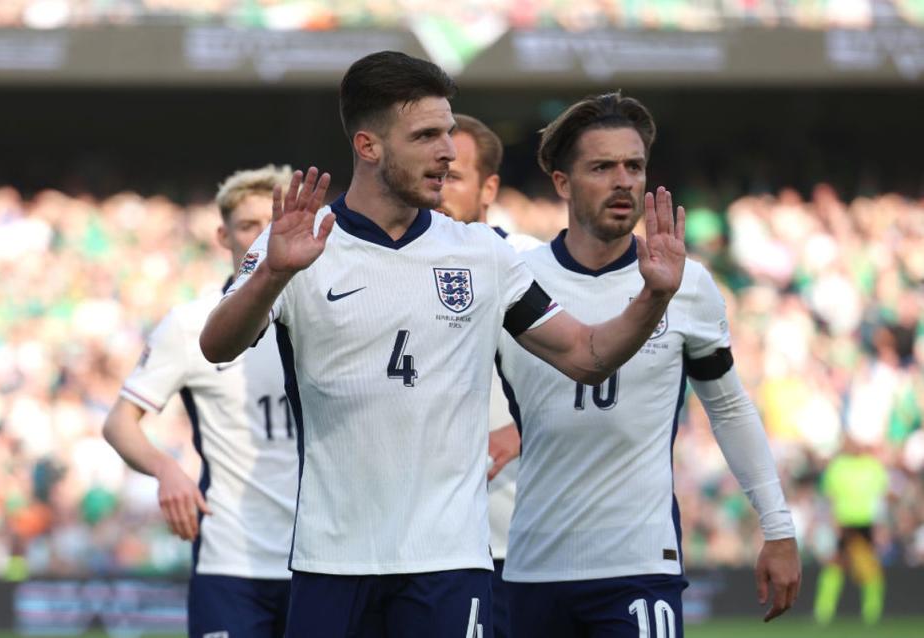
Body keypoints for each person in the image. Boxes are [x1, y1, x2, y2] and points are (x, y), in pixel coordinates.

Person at [199, 51, 686, 638]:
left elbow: (584, 355)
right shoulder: (300, 243)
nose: (448, 151)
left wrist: (652, 297)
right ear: (369, 146)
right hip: (332, 560)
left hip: (450, 565)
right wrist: (273, 275)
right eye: (427, 135)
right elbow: (217, 345)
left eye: (449, 132)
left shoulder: (483, 253)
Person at [490, 92, 802, 638]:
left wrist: (777, 526)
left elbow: (727, 407)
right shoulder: (514, 280)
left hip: (639, 567)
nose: (623, 181)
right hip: (531, 565)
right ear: (563, 184)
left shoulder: (689, 284)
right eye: (602, 167)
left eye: (634, 166)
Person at [102, 166, 299, 638]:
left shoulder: (323, 315)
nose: (261, 236)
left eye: (271, 222)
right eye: (248, 226)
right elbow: (119, 423)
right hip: (229, 557)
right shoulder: (191, 325)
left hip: (319, 556)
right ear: (222, 234)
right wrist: (167, 469)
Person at [440, 112, 540, 638]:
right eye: (434, 173)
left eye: (454, 176)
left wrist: (523, 428)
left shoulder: (529, 263)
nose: (439, 189)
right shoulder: (392, 263)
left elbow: (601, 373)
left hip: (519, 539)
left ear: (489, 187)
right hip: (431, 544)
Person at [814, 435, 888, 626]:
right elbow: (830, 497)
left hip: (866, 523)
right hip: (844, 522)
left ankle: (872, 611)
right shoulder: (838, 466)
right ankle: (824, 610)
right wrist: (833, 522)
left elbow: (880, 499)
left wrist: (880, 526)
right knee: (835, 565)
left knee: (870, 568)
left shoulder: (873, 466)